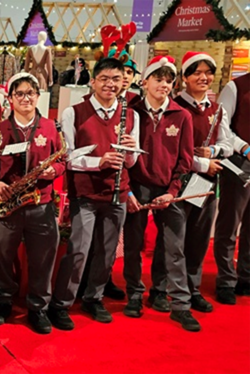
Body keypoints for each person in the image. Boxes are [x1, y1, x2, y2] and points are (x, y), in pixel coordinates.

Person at [49, 57, 140, 330]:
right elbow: (67, 157)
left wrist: (130, 150)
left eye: (116, 79)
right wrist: (98, 162)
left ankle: (93, 297)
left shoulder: (131, 115)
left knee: (107, 251)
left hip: (117, 192)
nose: (110, 84)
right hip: (86, 194)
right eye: (104, 79)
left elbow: (132, 162)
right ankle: (61, 303)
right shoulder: (74, 113)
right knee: (78, 250)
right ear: (93, 81)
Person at [122, 55, 198, 331]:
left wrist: (173, 191)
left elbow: (185, 159)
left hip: (169, 190)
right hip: (138, 187)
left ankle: (177, 303)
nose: (164, 84)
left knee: (174, 248)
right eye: (158, 79)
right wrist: (128, 190)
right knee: (133, 245)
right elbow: (122, 154)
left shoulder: (182, 115)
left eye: (169, 80)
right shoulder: (131, 112)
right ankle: (134, 294)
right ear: (145, 81)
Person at [0, 73, 65, 334]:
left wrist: (54, 170)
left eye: (30, 93)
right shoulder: (0, 129)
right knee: (2, 256)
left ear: (37, 96)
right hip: (8, 204)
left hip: (40, 203)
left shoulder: (50, 127)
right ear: (10, 98)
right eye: (19, 94)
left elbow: (61, 159)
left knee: (43, 259)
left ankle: (38, 307)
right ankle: (2, 300)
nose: (25, 98)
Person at [174, 51, 244, 313]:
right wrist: (200, 161)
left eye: (208, 73)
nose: (203, 78)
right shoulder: (175, 106)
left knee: (200, 238)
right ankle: (165, 288)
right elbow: (170, 150)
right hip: (179, 181)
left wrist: (213, 151)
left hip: (206, 181)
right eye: (197, 73)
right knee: (174, 239)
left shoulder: (216, 109)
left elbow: (227, 142)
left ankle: (192, 288)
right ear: (185, 77)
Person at [213, 59, 250, 305]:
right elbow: (222, 127)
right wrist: (245, 148)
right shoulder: (235, 87)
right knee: (229, 222)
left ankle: (246, 275)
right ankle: (226, 279)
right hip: (239, 163)